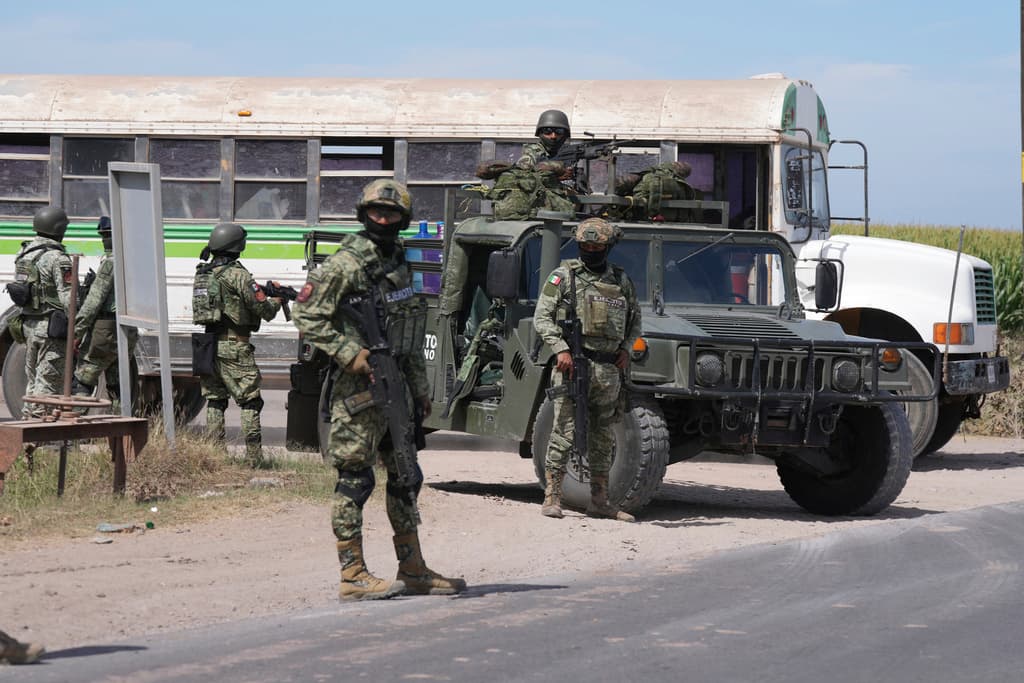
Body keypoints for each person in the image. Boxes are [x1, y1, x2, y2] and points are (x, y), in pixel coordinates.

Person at [292, 179, 466, 601]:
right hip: (359, 392)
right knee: (355, 480)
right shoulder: (346, 264)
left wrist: (419, 389)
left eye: (391, 214)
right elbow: (306, 313)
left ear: (403, 219)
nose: (383, 220)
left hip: (397, 388)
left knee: (406, 476)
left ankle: (413, 568)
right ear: (363, 214)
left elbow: (409, 330)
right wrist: (349, 353)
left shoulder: (399, 263)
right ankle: (352, 575)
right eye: (376, 212)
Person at [533, 217, 642, 522]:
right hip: (573, 366)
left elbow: (635, 320)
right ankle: (552, 497)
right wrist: (560, 348)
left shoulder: (620, 280)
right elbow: (542, 317)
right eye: (586, 246)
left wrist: (626, 349)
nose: (591, 251)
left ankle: (599, 500)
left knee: (603, 436)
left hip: (608, 370)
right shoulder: (564, 277)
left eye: (597, 247)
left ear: (608, 247)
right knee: (564, 431)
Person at [191, 223, 281, 467]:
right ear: (237, 246)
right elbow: (265, 310)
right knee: (250, 401)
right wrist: (277, 299)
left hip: (209, 346)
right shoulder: (238, 275)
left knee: (215, 400)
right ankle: (254, 459)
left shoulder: (204, 273)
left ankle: (215, 456)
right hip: (235, 346)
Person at [10, 206, 74, 418]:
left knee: (33, 379)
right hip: (51, 329)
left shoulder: (24, 254)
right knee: (48, 381)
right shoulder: (58, 258)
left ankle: (28, 420)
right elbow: (68, 299)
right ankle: (39, 425)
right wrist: (79, 328)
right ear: (59, 229)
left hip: (28, 326)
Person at [70, 216, 139, 412]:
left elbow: (93, 301)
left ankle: (73, 424)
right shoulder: (134, 261)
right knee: (117, 385)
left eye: (104, 236)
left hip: (105, 331)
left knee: (83, 380)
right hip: (127, 329)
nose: (103, 240)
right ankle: (120, 426)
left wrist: (76, 332)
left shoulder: (111, 262)